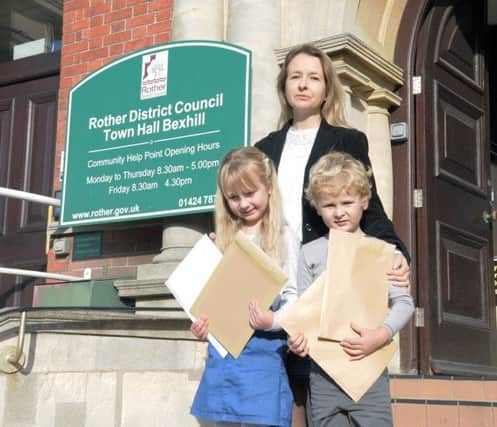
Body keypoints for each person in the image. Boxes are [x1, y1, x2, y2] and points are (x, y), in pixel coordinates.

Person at [255, 43, 410, 426]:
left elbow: (367, 208)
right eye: (295, 76)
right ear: (283, 86)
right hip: (280, 274)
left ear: (326, 87)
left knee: (320, 373)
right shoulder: (264, 149)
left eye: (313, 77)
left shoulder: (348, 139)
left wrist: (395, 254)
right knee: (288, 387)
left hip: (325, 272)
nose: (303, 85)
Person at [288, 152, 415, 427]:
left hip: (368, 369)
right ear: (317, 208)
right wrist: (297, 341)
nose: (339, 211)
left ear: (364, 202)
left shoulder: (381, 251)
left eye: (347, 202)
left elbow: (404, 303)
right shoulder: (309, 253)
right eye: (329, 204)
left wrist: (381, 334)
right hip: (322, 374)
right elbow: (302, 310)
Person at [190, 146, 300, 427]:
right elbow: (209, 298)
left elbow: (294, 299)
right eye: (233, 197)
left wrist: (272, 320)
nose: (243, 204)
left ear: (269, 187)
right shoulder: (223, 240)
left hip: (262, 357)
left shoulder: (283, 237)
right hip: (222, 359)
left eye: (250, 193)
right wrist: (202, 326)